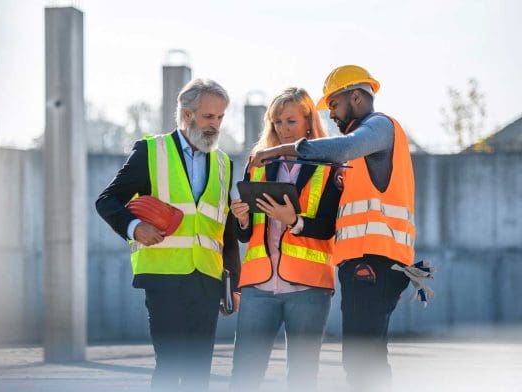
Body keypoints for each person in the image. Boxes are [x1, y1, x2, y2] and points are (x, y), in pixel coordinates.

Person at [250, 65, 415, 390]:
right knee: (364, 359)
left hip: (376, 261)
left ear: (356, 96)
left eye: (335, 106)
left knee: (362, 361)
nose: (333, 116)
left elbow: (342, 148)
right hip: (364, 263)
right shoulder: (361, 150)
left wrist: (279, 150)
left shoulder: (379, 126)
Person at [95, 78, 241, 390]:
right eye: (208, 117)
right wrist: (135, 228)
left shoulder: (223, 163)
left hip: (207, 280)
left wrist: (233, 284)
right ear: (187, 115)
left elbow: (225, 230)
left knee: (199, 371)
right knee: (171, 364)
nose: (216, 125)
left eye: (220, 117)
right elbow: (106, 200)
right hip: (164, 278)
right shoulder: (151, 152)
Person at [229, 87, 341, 390]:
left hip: (308, 287)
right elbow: (244, 234)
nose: (282, 129)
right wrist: (241, 217)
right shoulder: (259, 161)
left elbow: (330, 226)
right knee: (244, 375)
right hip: (258, 287)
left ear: (308, 122)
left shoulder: (330, 165)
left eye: (290, 121)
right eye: (277, 122)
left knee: (303, 378)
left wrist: (293, 221)